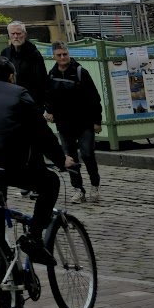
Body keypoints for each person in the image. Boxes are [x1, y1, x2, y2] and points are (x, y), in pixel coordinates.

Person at [0, 54, 65, 271]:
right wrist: (62, 159)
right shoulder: (19, 94)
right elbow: (41, 132)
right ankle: (35, 238)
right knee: (50, 183)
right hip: (7, 167)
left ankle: (0, 282)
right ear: (11, 76)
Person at [45, 41, 103, 204]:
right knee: (70, 157)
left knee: (87, 154)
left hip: (84, 122)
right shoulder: (52, 73)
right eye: (59, 55)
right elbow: (49, 96)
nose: (63, 57)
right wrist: (49, 111)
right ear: (54, 56)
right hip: (64, 124)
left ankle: (94, 184)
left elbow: (94, 98)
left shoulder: (80, 72)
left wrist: (97, 121)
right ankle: (78, 189)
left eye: (65, 54)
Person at [3, 20, 50, 107]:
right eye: (12, 34)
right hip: (11, 100)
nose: (15, 36)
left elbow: (42, 80)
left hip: (30, 101)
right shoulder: (5, 53)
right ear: (9, 35)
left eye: (18, 33)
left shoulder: (34, 54)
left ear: (24, 34)